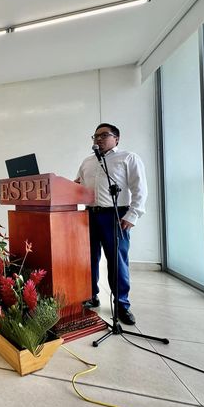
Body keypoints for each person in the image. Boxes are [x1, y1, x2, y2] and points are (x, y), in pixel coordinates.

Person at [74, 123, 147, 326]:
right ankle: (91, 295)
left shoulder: (128, 158)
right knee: (88, 259)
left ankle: (122, 304)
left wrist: (132, 215)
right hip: (89, 215)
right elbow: (78, 186)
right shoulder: (87, 161)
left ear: (117, 138)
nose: (98, 139)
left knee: (117, 260)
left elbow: (140, 189)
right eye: (95, 136)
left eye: (104, 135)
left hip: (115, 215)